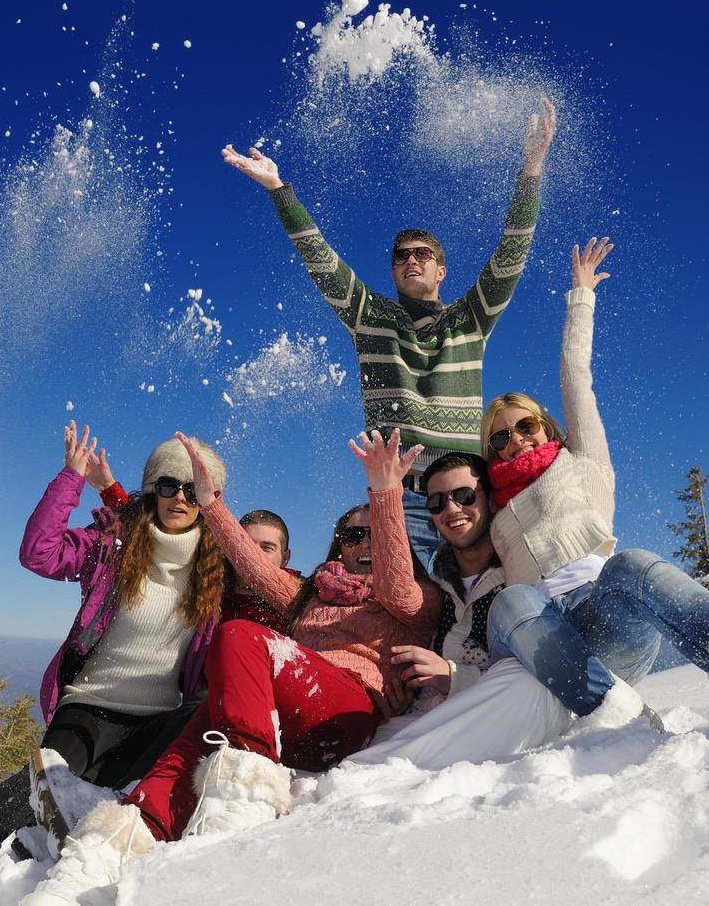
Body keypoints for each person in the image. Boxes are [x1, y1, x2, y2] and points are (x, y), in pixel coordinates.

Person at [13, 433, 442, 906]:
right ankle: (94, 864)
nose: (363, 543)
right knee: (180, 757)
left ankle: (244, 800)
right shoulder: (308, 595)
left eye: (373, 534)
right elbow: (244, 558)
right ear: (336, 546)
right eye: (351, 535)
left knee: (240, 636)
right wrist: (208, 500)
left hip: (344, 711)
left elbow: (395, 582)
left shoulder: (415, 601)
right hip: (271, 719)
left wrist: (385, 492)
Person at [478, 238, 709, 732]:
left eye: (525, 426)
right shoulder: (487, 506)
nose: (516, 440)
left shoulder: (583, 462)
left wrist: (581, 296)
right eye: (501, 435)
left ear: (546, 426)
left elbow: (575, 376)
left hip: (602, 619)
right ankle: (623, 720)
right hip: (536, 631)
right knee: (512, 599)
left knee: (631, 563)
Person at [221, 97, 556, 569]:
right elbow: (322, 261)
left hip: (470, 497)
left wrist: (532, 169)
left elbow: (512, 252)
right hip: (401, 500)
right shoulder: (370, 317)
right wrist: (279, 189)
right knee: (412, 613)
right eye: (401, 256)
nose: (411, 260)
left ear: (441, 270)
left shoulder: (471, 318)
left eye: (422, 254)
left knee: (486, 610)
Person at [0, 423, 227, 857]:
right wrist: (71, 478)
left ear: (208, 501)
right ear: (154, 489)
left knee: (144, 758)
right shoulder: (114, 546)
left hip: (158, 720)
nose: (180, 498)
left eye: (193, 491)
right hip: (89, 708)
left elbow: (269, 581)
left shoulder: (216, 572)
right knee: (53, 775)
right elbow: (38, 552)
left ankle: (48, 838)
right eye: (170, 485)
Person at [343, 446, 572, 769]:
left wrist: (453, 677)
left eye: (465, 495)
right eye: (437, 502)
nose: (451, 509)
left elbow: (548, 665)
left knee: (525, 679)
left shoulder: (523, 573)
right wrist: (400, 692)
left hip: (511, 707)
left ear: (491, 499)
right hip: (433, 717)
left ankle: (378, 770)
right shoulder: (434, 587)